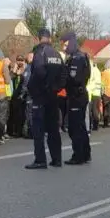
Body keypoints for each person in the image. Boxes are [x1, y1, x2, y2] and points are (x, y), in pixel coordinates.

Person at [25, 28, 66, 170]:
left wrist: (33, 88)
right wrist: (56, 88)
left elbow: (38, 73)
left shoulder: (39, 53)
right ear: (49, 38)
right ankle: (57, 159)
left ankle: (40, 160)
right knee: (53, 129)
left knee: (38, 129)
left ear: (38, 38)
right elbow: (63, 75)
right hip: (53, 96)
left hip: (40, 96)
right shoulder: (57, 54)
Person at [60, 32, 91, 164]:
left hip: (76, 95)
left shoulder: (77, 58)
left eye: (66, 44)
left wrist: (63, 80)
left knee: (75, 128)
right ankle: (85, 154)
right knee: (81, 126)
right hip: (78, 95)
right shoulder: (79, 56)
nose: (64, 47)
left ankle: (78, 155)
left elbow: (75, 78)